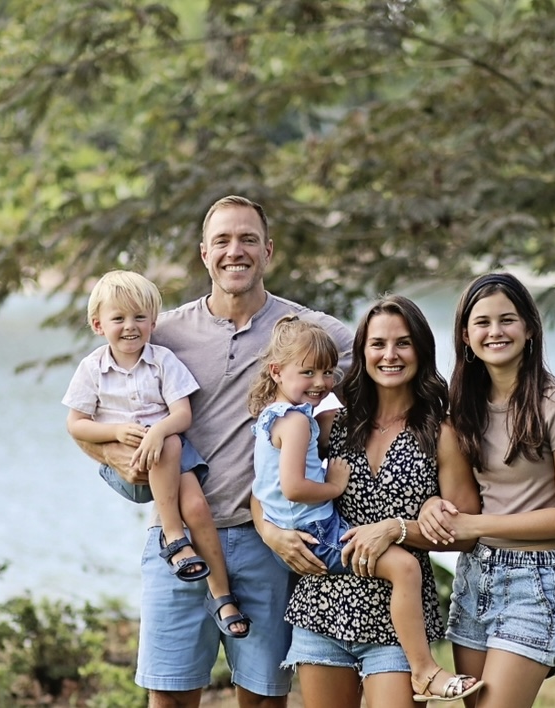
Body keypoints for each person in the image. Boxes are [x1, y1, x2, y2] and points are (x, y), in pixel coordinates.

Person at [75, 195, 354, 708]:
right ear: (204, 254)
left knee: (265, 698)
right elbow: (89, 414)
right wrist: (116, 457)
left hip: (265, 542)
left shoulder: (308, 333)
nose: (235, 251)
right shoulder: (166, 333)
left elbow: (391, 364)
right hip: (176, 539)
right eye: (222, 241)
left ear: (267, 251)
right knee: (171, 698)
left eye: (248, 239)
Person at [248, 314, 484, 705]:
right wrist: (270, 533)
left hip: (397, 628)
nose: (389, 355)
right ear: (361, 353)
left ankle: (427, 671)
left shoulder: (441, 433)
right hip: (322, 607)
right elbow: (267, 488)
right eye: (378, 344)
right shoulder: (330, 423)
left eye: (403, 343)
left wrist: (398, 528)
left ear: (422, 351)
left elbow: (468, 532)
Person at [422, 272, 555, 708]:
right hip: (475, 574)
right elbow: (456, 495)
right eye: (482, 323)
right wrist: (431, 507)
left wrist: (476, 523)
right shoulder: (461, 408)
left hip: (535, 578)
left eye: (507, 320)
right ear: (465, 335)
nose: (495, 332)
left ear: (530, 327)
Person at [61, 270, 248, 639]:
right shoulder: (92, 369)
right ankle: (174, 537)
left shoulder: (162, 361)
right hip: (130, 459)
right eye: (119, 319)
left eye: (139, 317)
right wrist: (114, 432)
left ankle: (221, 595)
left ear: (153, 321)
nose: (130, 327)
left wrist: (159, 431)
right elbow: (76, 423)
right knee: (171, 450)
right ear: (99, 325)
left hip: (171, 451)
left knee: (196, 506)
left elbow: (182, 415)